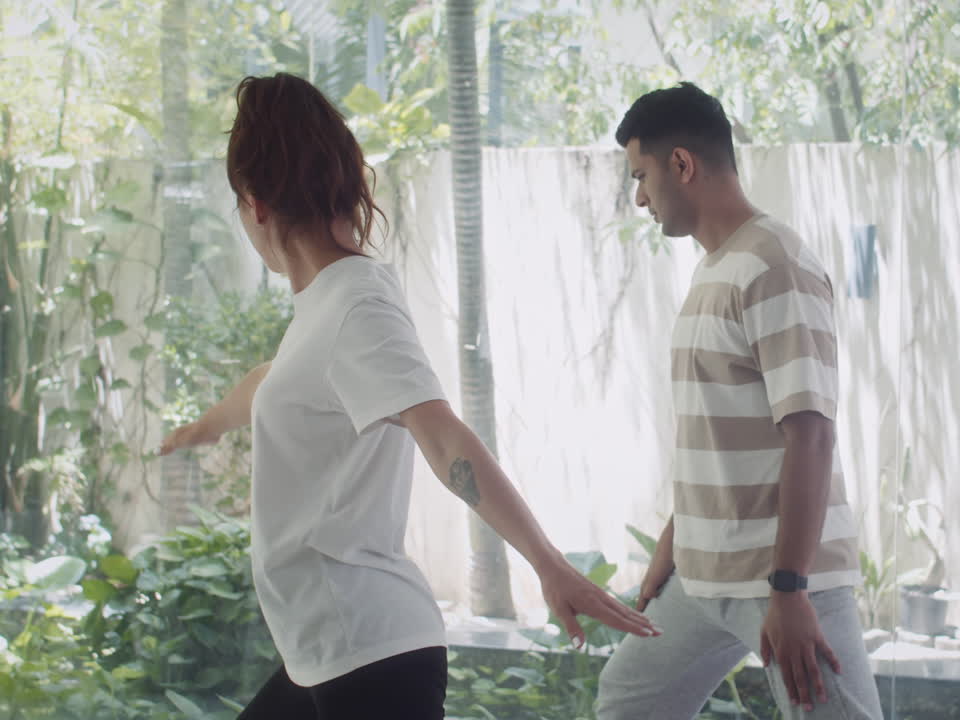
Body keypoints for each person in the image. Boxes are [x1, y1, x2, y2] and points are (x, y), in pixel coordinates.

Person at [158, 72, 658, 720]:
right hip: (327, 655)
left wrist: (548, 563)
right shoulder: (325, 304)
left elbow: (442, 434)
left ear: (254, 203)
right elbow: (273, 381)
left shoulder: (356, 305)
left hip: (372, 657)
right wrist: (205, 426)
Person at [595, 83, 884, 720]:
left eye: (641, 176)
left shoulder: (775, 262)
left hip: (781, 578)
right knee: (630, 699)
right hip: (703, 577)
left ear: (681, 165)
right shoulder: (715, 268)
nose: (639, 196)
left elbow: (810, 433)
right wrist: (676, 539)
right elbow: (719, 436)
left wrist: (790, 587)